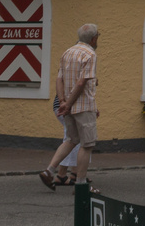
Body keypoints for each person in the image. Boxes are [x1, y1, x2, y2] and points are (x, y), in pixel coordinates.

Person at [40, 24, 99, 191]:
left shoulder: (68, 52)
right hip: (83, 106)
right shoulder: (90, 54)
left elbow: (59, 79)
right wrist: (70, 103)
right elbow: (82, 83)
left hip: (68, 105)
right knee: (86, 145)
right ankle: (80, 184)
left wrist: (63, 102)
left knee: (71, 140)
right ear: (94, 39)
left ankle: (49, 171)